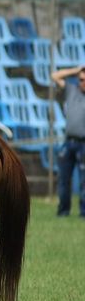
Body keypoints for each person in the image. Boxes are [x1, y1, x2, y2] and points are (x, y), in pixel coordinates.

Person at [51, 65, 85, 218]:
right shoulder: (72, 90)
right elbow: (55, 76)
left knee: (84, 182)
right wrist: (76, 70)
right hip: (68, 142)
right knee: (64, 180)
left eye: (84, 80)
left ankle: (83, 213)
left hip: (83, 144)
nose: (81, 83)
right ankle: (63, 211)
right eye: (80, 80)